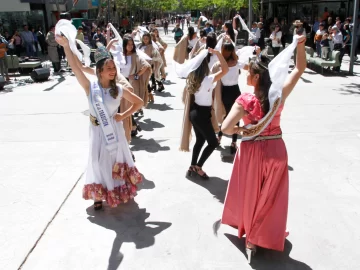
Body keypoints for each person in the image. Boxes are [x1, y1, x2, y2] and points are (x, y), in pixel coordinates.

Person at [220, 34, 307, 263]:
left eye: (249, 71)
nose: (246, 74)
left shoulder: (246, 100)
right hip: (277, 150)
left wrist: (243, 131)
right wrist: (300, 45)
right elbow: (299, 69)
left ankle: (251, 239)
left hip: (253, 153)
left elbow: (226, 128)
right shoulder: (278, 95)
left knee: (253, 196)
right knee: (271, 197)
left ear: (256, 77)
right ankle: (265, 233)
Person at [55, 34, 144, 210]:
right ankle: (98, 193)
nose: (113, 71)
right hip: (96, 130)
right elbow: (75, 68)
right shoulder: (90, 88)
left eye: (114, 68)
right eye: (109, 68)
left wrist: (123, 115)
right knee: (96, 162)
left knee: (112, 162)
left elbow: (139, 102)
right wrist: (66, 46)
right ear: (100, 71)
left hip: (113, 130)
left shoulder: (118, 89)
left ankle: (114, 190)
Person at [182, 48, 228, 179]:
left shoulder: (193, 79)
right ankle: (198, 166)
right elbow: (225, 70)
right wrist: (219, 54)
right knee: (213, 143)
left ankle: (192, 165)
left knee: (200, 140)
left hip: (195, 113)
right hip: (201, 115)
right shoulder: (208, 79)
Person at [216, 41, 243, 154]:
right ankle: (233, 142)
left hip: (227, 91)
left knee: (229, 115)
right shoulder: (236, 62)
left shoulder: (220, 64)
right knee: (235, 116)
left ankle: (220, 138)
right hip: (235, 90)